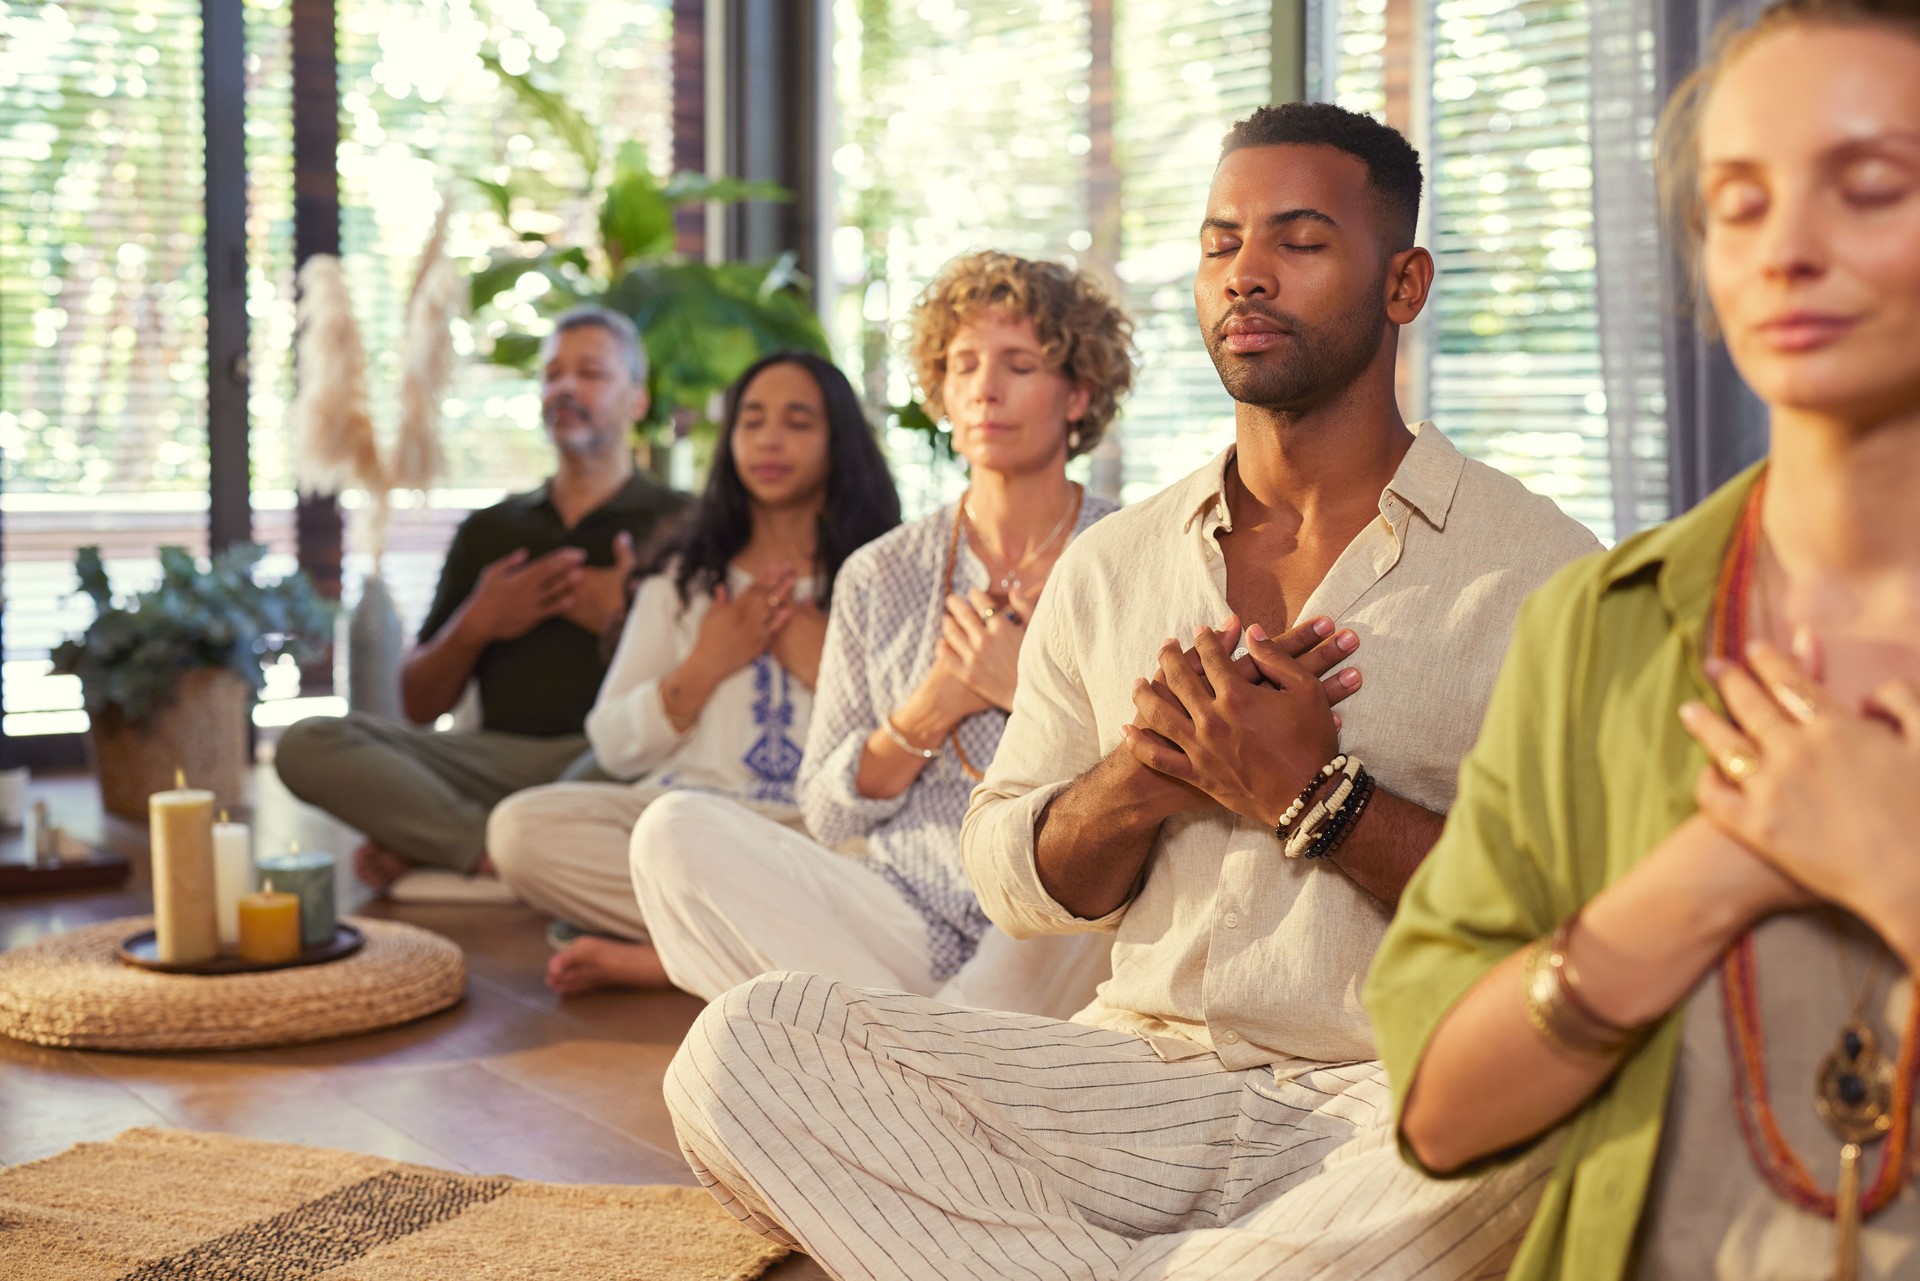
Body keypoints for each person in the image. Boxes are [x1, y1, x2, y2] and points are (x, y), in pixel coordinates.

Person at [664, 104, 1601, 1279]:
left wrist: (1319, 796)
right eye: (1221, 244)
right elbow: (1014, 880)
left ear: (1403, 282)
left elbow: (1580, 920)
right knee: (741, 1049)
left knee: (1562, 1110)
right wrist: (1144, 772)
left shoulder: (1549, 573)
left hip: (1393, 1096)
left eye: (1298, 242)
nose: (1246, 273)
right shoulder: (1114, 568)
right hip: (1134, 1079)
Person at [1366, 4, 1920, 1278]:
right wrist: (1715, 870)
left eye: (1870, 187)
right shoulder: (1599, 628)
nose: (1787, 249)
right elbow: (1443, 1109)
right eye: (1737, 202)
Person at [630, 250, 1130, 1020]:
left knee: (1118, 853)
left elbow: (1155, 775)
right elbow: (828, 811)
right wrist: (932, 705)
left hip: (1047, 919)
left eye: (1020, 364)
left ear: (1079, 394)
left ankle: (892, 1058)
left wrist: (1017, 689)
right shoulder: (880, 572)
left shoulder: (1132, 554)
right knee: (670, 832)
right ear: (941, 393)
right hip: (898, 917)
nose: (986, 389)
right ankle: (943, 1056)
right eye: (964, 365)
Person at [488, 352, 900, 995]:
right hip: (683, 820)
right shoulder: (683, 580)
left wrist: (817, 658)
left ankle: (670, 961)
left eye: (797, 422)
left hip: (818, 834)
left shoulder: (880, 577)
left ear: (837, 442)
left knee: (920, 865)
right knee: (520, 831)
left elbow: (912, 747)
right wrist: (704, 667)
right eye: (751, 421)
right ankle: (758, 954)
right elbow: (615, 746)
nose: (768, 439)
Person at [275, 306, 687, 890]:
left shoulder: (682, 523)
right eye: (552, 374)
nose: (565, 387)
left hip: (612, 761)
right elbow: (417, 703)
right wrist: (478, 623)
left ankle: (444, 843)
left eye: (590, 373)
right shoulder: (490, 531)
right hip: (490, 760)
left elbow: (707, 687)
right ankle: (487, 847)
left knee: (658, 765)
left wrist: (626, 623)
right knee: (307, 743)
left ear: (637, 401)